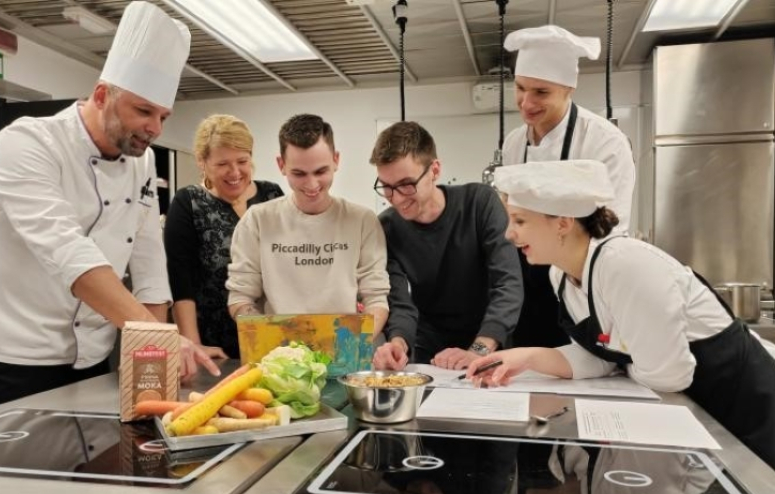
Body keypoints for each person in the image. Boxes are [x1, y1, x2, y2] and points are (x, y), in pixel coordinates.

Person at [0, 1, 219, 414]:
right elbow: (68, 251)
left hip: (91, 354)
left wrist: (156, 350)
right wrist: (155, 335)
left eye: (163, 115)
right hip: (9, 356)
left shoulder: (141, 160)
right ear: (102, 94)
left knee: (92, 470)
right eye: (143, 111)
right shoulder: (27, 144)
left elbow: (146, 255)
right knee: (15, 477)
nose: (155, 128)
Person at [468, 159, 775, 483]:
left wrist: (616, 366)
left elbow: (668, 373)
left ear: (563, 222)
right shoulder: (562, 275)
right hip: (698, 415)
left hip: (753, 406)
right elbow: (604, 356)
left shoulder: (624, 265)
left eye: (520, 221)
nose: (509, 234)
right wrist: (524, 358)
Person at [501, 25, 636, 350]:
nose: (526, 102)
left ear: (568, 89)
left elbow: (609, 232)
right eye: (520, 88)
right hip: (529, 286)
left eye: (541, 92)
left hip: (583, 286)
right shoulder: (514, 143)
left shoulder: (605, 142)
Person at [369, 122, 523, 370]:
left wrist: (479, 350)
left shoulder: (479, 203)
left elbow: (508, 283)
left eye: (407, 184)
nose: (396, 198)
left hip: (488, 339)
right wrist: (398, 343)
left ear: (434, 170)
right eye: (386, 186)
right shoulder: (386, 227)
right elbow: (400, 302)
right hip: (429, 349)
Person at [226, 114, 389, 335]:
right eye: (299, 174)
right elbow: (240, 297)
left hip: (346, 350)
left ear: (336, 160)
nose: (312, 184)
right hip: (280, 354)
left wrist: (357, 346)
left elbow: (376, 298)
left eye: (321, 171)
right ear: (281, 165)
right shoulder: (257, 221)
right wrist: (272, 340)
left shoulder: (362, 221)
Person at [164, 115, 283, 360]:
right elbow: (181, 282)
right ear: (202, 161)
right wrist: (194, 346)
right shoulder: (189, 203)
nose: (235, 172)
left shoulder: (273, 195)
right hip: (214, 343)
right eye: (222, 164)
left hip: (273, 339)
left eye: (243, 161)